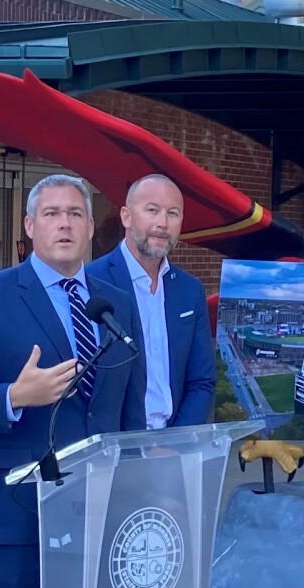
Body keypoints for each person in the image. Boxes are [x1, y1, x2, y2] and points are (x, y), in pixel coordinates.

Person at [0, 174, 146, 588]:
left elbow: (128, 410)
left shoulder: (116, 303)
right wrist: (13, 396)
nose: (63, 224)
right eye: (51, 214)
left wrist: (138, 489)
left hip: (93, 514)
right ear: (29, 226)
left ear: (89, 227)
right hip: (7, 517)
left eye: (74, 214)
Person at [87, 173, 215, 429]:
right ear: (126, 216)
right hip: (113, 451)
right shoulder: (91, 282)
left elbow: (202, 381)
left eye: (173, 213)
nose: (163, 223)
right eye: (152, 210)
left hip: (176, 448)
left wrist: (176, 443)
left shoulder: (190, 290)